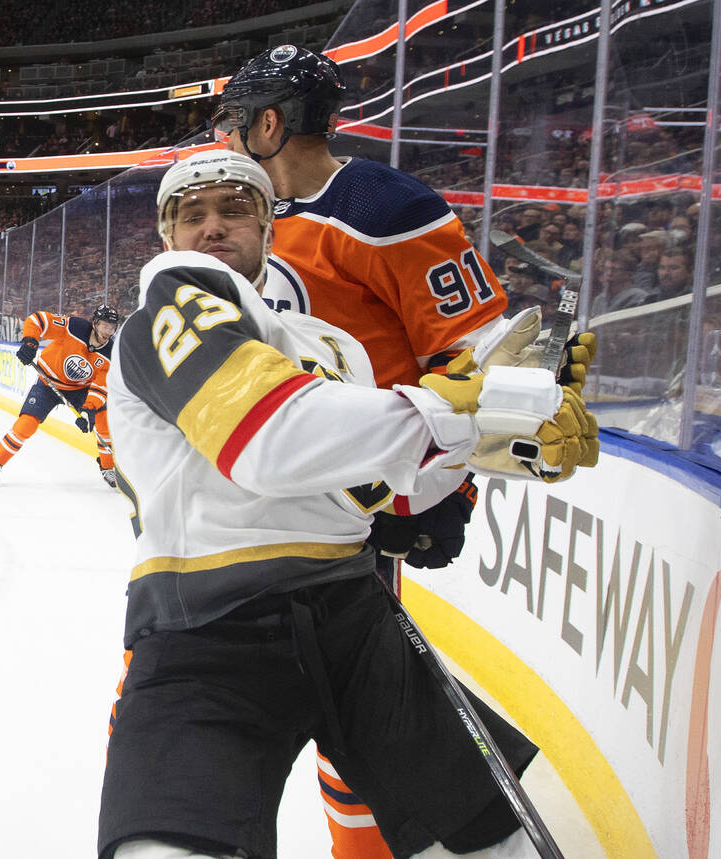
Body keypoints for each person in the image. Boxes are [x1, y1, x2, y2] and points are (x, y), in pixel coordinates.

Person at [99, 148, 597, 859]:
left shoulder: (330, 346)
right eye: (192, 213)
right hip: (207, 625)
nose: (213, 226)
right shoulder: (166, 313)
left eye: (235, 208)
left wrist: (515, 430)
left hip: (352, 611)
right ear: (167, 237)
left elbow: (382, 487)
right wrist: (457, 414)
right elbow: (266, 437)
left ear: (271, 229)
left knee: (493, 845)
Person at [213, 43, 596, 856]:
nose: (224, 135)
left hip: (361, 513)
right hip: (259, 505)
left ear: (270, 123)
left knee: (354, 729)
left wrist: (448, 495)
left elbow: (481, 362)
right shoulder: (243, 220)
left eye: (234, 119)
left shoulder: (384, 209)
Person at [0, 305, 118, 487]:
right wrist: (30, 342)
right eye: (104, 326)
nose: (107, 331)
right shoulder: (74, 327)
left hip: (81, 390)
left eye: (112, 327)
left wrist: (88, 410)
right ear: (94, 323)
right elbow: (37, 320)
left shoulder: (111, 352)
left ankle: (108, 467)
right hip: (49, 382)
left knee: (103, 422)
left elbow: (100, 388)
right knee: (26, 424)